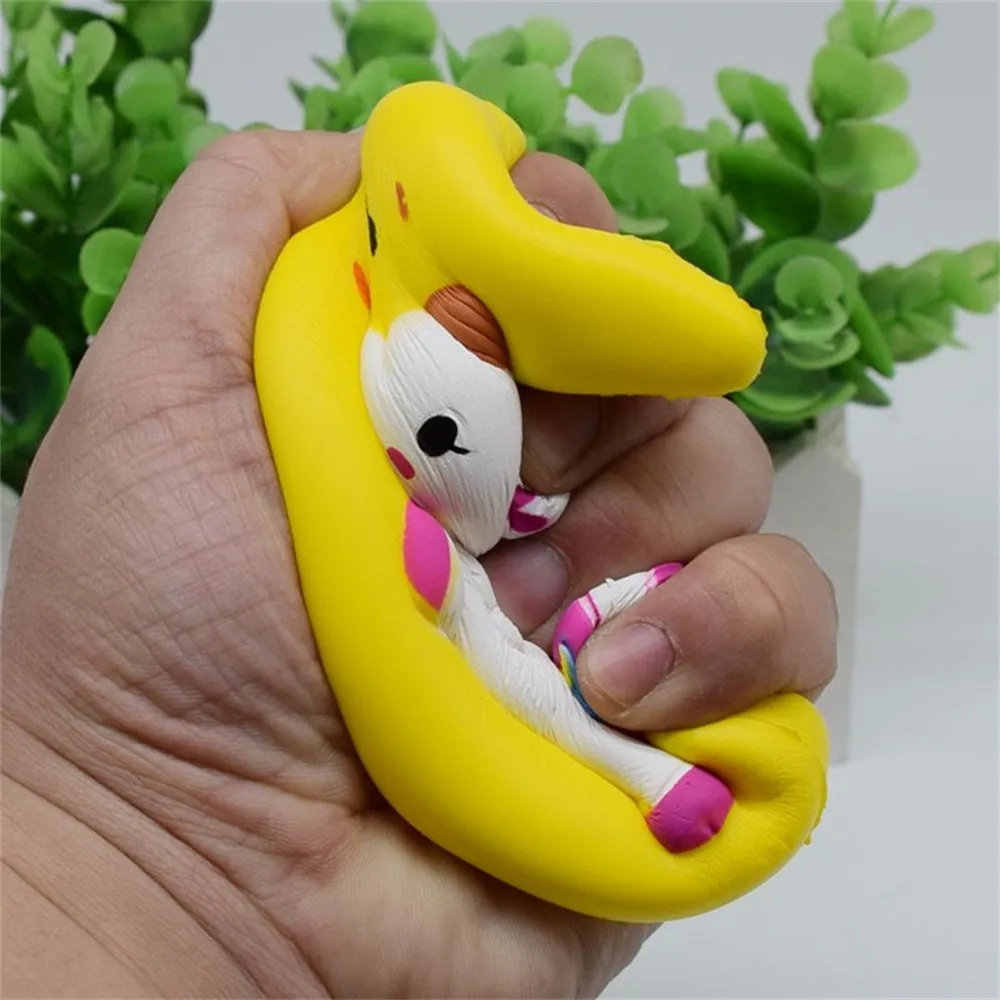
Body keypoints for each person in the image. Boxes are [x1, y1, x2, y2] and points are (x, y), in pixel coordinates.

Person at [1, 130, 837, 999]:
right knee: (554, 704)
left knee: (556, 697)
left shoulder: (358, 294)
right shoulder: (327, 300)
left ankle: (645, 737)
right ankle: (657, 777)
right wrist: (119, 816)